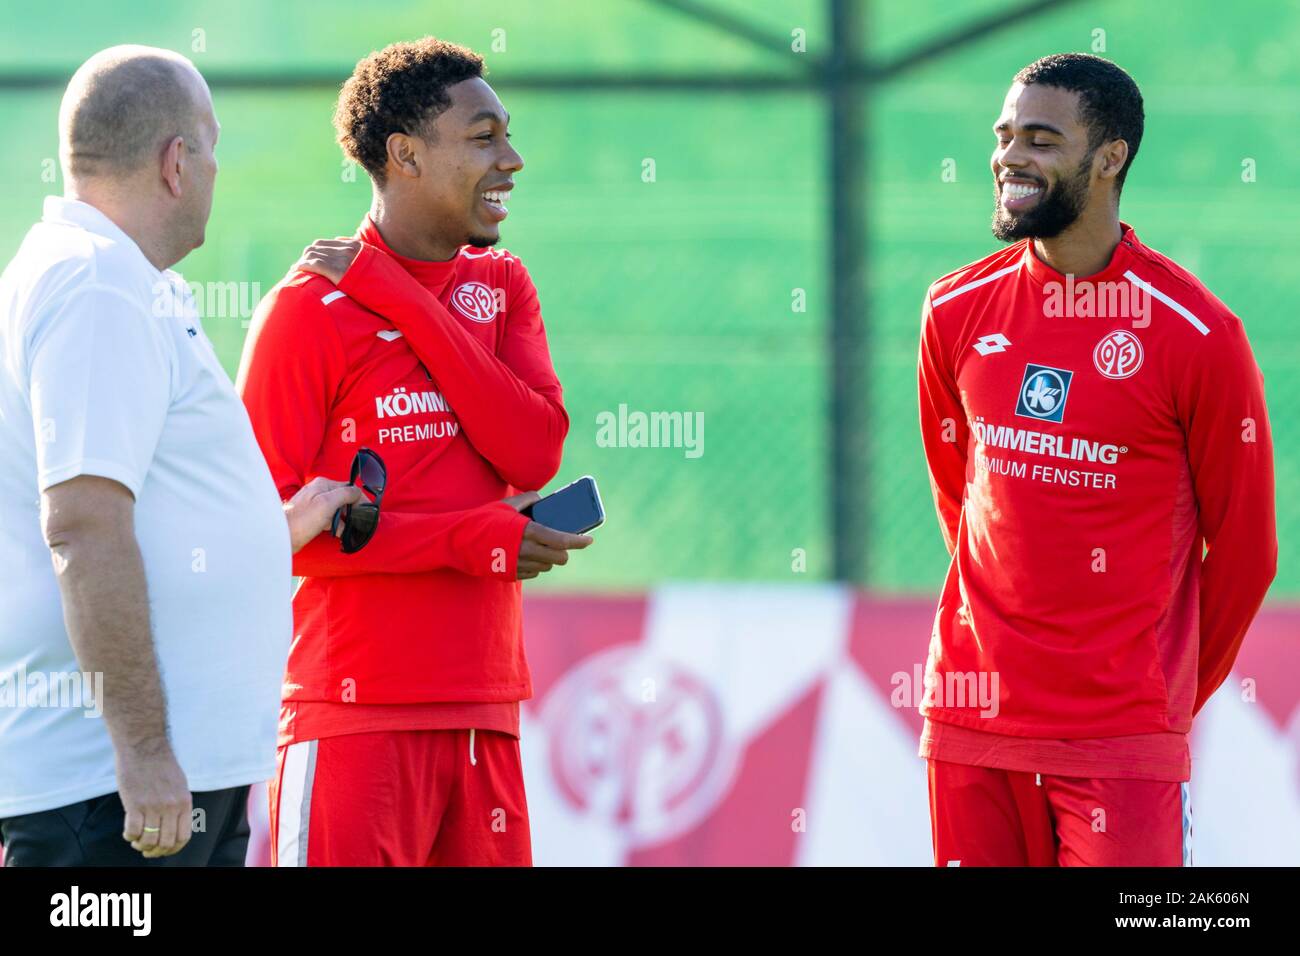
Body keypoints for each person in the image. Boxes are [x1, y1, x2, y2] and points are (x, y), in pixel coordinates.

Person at [237, 37, 591, 867]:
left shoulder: (501, 286)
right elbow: (266, 535)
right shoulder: (308, 310)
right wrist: (475, 539)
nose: (512, 159)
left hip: (484, 712)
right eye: (483, 138)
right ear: (403, 155)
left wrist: (402, 298)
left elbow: (532, 452)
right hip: (354, 715)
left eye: (506, 135)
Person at [0, 46, 358, 866]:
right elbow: (84, 528)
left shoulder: (110, 277)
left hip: (149, 787)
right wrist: (145, 754)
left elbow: (139, 510)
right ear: (174, 161)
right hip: (118, 796)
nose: (214, 170)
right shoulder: (95, 286)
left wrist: (276, 531)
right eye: (212, 146)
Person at [916, 53, 1277, 867]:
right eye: (1005, 136)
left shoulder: (1198, 336)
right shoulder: (954, 310)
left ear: (1109, 157)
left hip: (1121, 745)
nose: (1011, 157)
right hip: (973, 726)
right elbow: (964, 502)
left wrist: (1160, 701)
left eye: (1042, 139)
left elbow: (1248, 553)